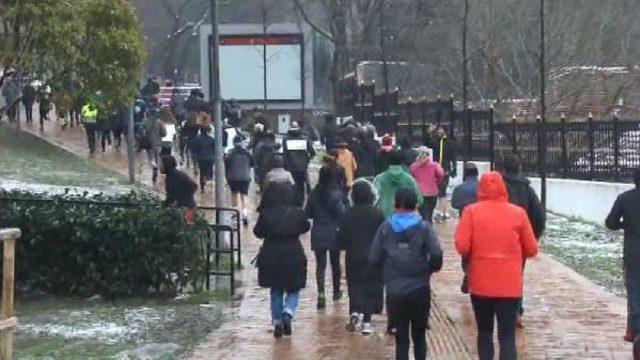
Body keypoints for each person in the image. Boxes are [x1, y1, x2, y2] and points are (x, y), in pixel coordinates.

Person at [455, 171, 539, 360]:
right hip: (510, 286)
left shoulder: (471, 211)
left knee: (484, 332)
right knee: (507, 336)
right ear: (503, 188)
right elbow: (532, 249)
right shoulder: (518, 213)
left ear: (480, 189)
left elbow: (461, 245)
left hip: (481, 283)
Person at [369, 188, 443, 360]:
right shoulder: (424, 228)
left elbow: (373, 258)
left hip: (395, 291)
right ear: (416, 205)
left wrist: (386, 275)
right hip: (420, 289)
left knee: (401, 339)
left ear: (396, 205)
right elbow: (437, 254)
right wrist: (430, 270)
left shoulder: (385, 228)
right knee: (419, 337)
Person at [254, 182, 311, 338]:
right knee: (294, 288)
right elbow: (306, 227)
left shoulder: (265, 213)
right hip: (293, 253)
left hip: (271, 254)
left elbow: (258, 232)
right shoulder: (297, 212)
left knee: (276, 288)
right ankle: (288, 311)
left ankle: (277, 321)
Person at [496, 155, 545, 326]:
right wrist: (533, 237)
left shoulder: (499, 188)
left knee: (497, 271)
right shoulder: (528, 191)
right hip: (519, 241)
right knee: (517, 274)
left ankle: (501, 305)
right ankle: (516, 308)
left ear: (503, 169)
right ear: (519, 168)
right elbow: (538, 216)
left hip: (498, 237)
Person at [337, 180, 385, 335]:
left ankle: (354, 312)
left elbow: (341, 239)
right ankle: (367, 322)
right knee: (370, 287)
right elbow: (383, 235)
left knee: (354, 285)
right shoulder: (378, 213)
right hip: (373, 256)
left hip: (353, 255)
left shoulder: (347, 213)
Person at [606, 168, 640, 358]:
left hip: (633, 254)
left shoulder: (624, 198)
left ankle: (635, 332)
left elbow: (610, 222)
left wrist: (624, 224)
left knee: (634, 293)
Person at [305, 166, 347, 309]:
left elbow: (307, 213)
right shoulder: (337, 194)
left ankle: (321, 293)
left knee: (320, 265)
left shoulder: (314, 194)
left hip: (318, 232)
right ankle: (336, 291)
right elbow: (343, 213)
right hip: (334, 232)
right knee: (335, 265)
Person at [451, 162, 480, 294]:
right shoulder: (482, 188)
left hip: (465, 223)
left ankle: (468, 271)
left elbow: (455, 204)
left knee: (466, 251)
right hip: (481, 225)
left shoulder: (460, 189)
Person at [374, 151, 423, 217]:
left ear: (388, 161)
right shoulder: (409, 179)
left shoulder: (379, 179)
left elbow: (374, 199)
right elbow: (419, 199)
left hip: (383, 216)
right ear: (401, 161)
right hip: (404, 217)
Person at [283, 122, 316, 206]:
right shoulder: (305, 139)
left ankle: (292, 201)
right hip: (302, 167)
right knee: (301, 185)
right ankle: (300, 203)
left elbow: (285, 153)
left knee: (292, 184)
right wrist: (307, 160)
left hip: (290, 166)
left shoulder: (286, 139)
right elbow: (312, 152)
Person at [410, 146, 445, 224]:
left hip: (419, 194)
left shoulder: (414, 166)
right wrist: (436, 182)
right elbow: (441, 174)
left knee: (421, 215)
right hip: (432, 192)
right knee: (429, 214)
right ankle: (428, 231)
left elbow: (411, 178)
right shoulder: (435, 165)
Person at [430, 126, 457, 221]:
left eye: (441, 130)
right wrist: (429, 132)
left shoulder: (450, 143)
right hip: (435, 169)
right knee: (438, 191)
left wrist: (454, 168)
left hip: (445, 169)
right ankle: (442, 211)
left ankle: (443, 212)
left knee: (442, 190)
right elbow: (426, 143)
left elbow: (453, 156)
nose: (439, 132)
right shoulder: (434, 142)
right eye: (438, 131)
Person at [225, 135, 253, 225]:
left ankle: (234, 214)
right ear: (241, 143)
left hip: (233, 177)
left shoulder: (230, 153)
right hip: (245, 177)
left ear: (233, 143)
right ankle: (245, 214)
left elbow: (226, 162)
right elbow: (252, 163)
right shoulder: (247, 153)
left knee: (234, 194)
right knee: (244, 195)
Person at [143, 110, 167, 184]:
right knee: (157, 157)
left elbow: (142, 130)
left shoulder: (146, 121)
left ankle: (154, 167)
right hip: (157, 144)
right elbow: (164, 133)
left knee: (150, 158)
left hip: (148, 144)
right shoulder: (160, 122)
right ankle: (156, 168)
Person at [192, 125, 215, 192]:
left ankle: (202, 188)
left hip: (201, 158)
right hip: (210, 158)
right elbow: (215, 149)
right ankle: (210, 188)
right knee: (210, 173)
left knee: (202, 172)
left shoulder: (197, 139)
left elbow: (194, 149)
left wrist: (196, 157)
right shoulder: (211, 139)